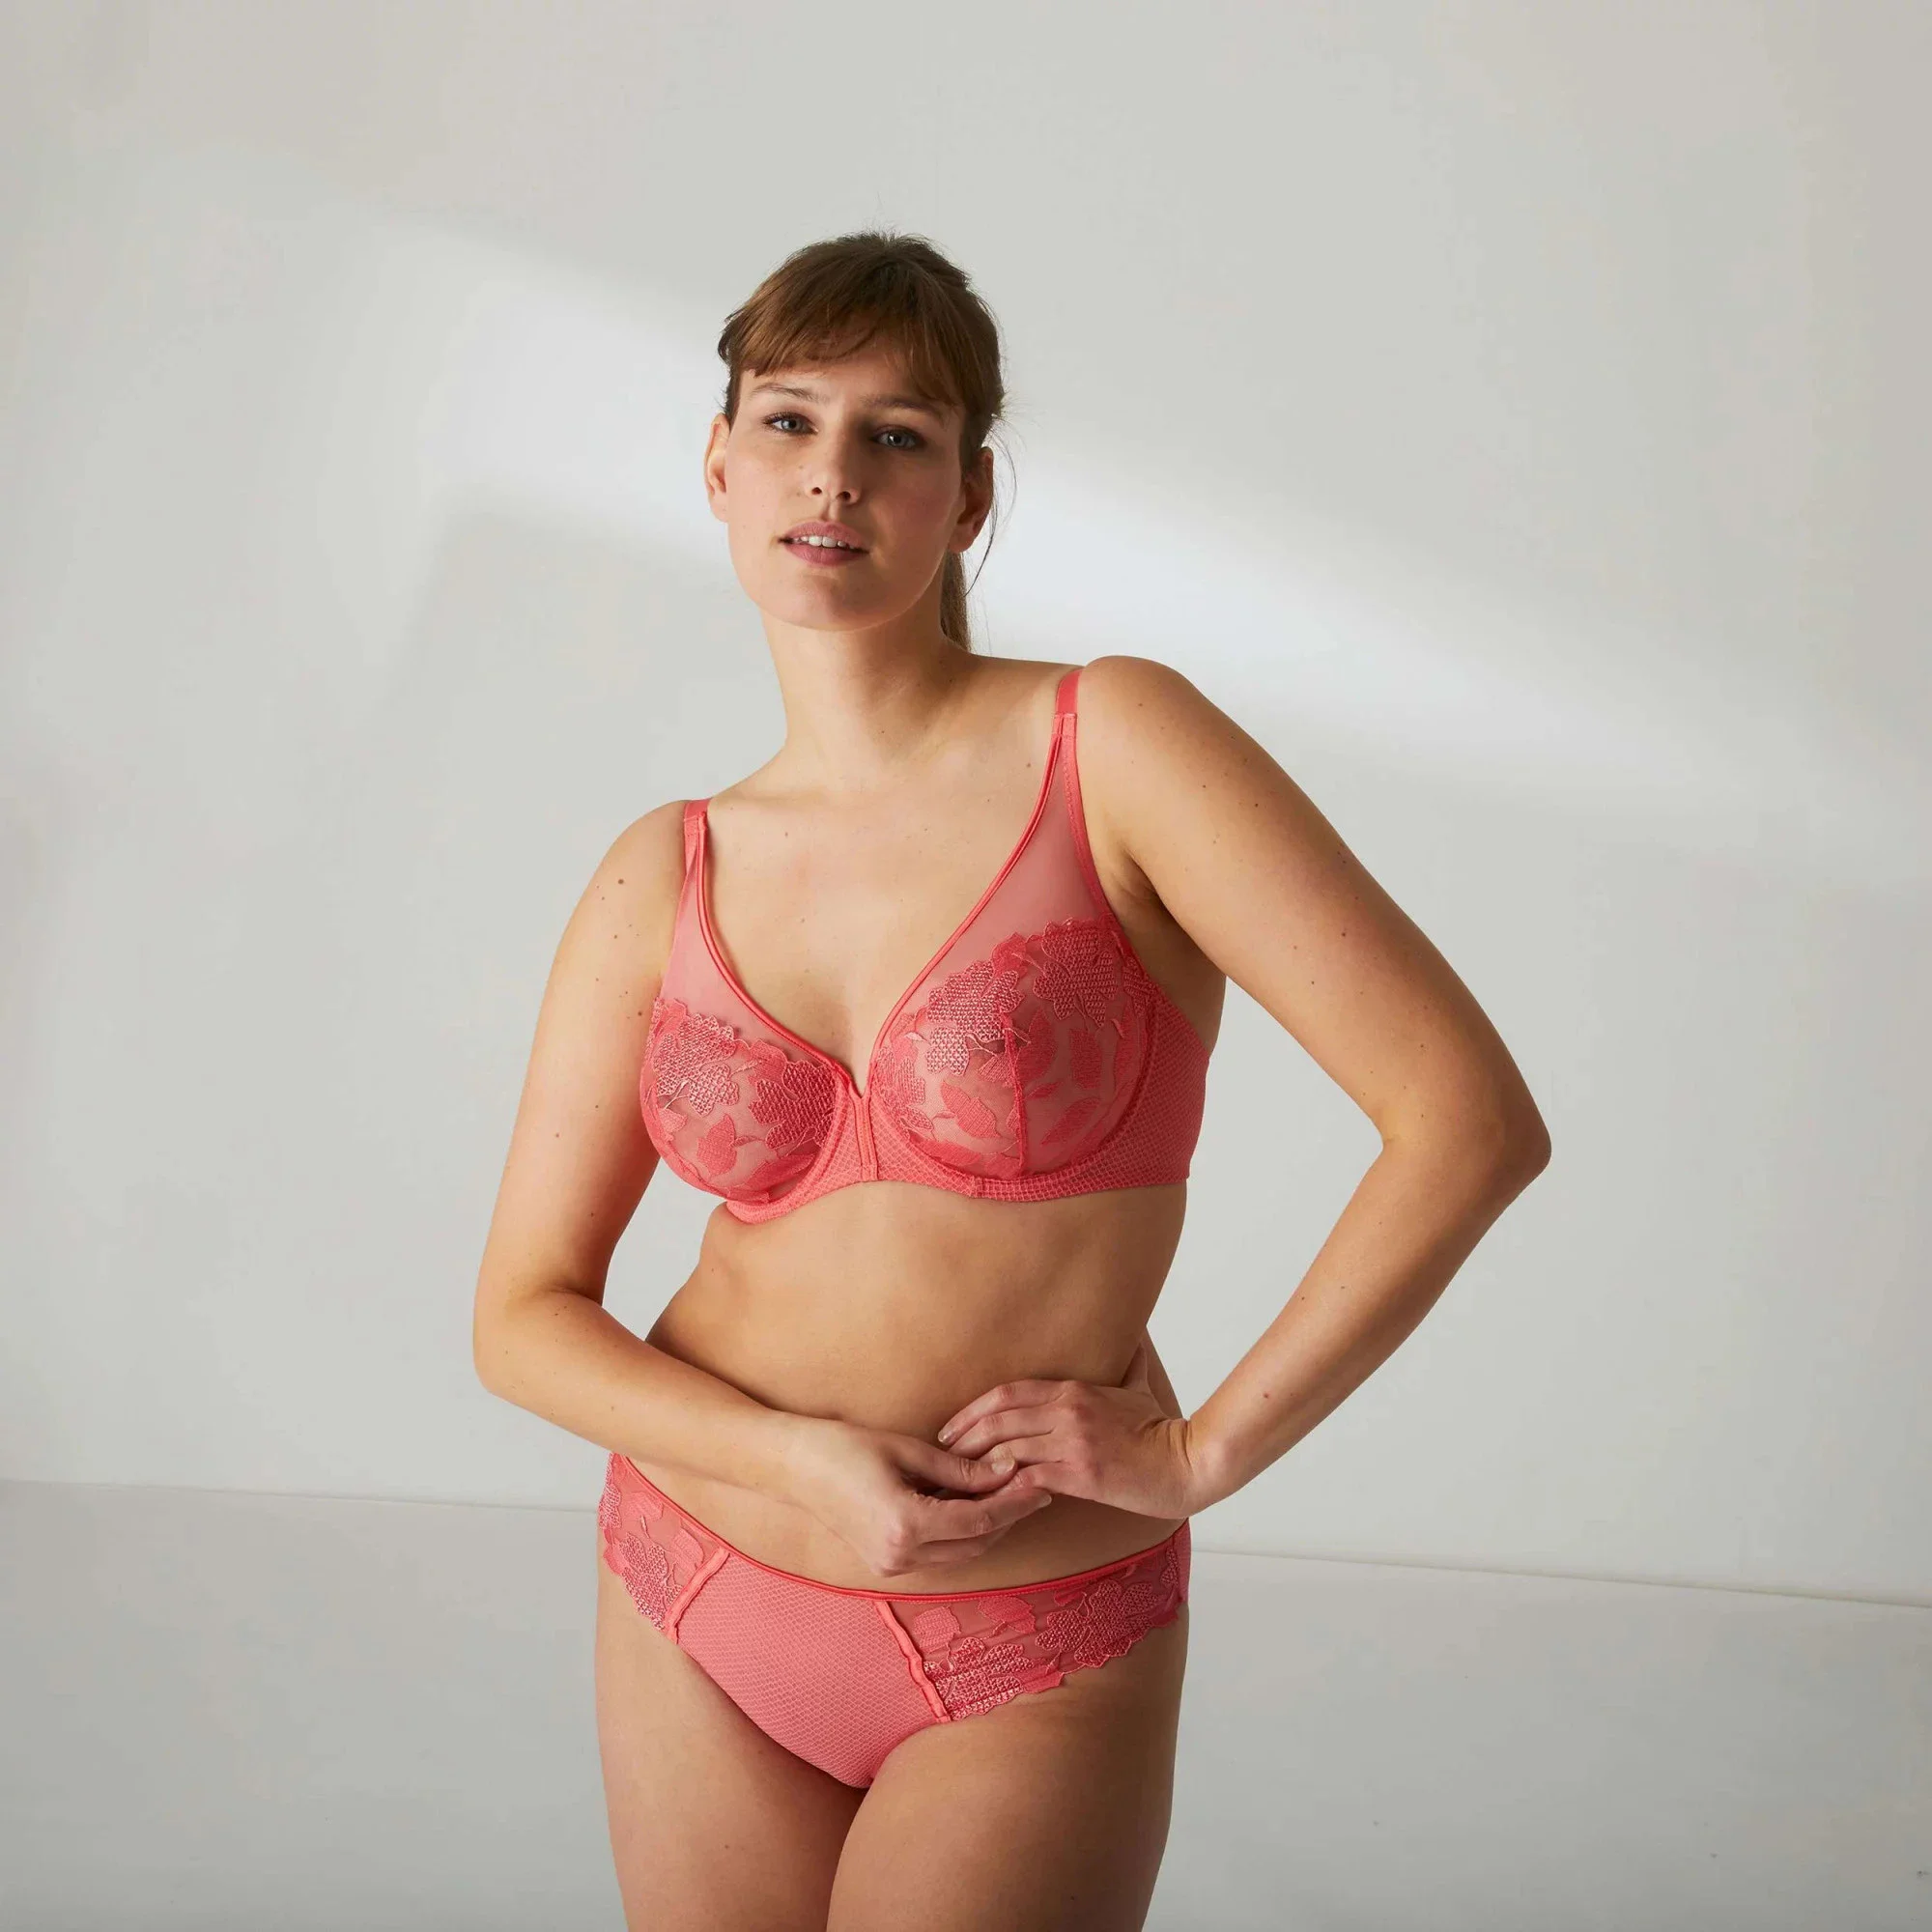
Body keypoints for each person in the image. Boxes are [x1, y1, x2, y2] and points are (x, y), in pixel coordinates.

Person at [472, 230, 1550, 1932]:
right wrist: (794, 1461)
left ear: (970, 495)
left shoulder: (1114, 746)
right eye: (788, 420)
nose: (832, 474)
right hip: (695, 1581)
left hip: (1028, 1638)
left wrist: (1203, 1454)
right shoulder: (661, 868)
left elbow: (1467, 1123)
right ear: (719, 466)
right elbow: (522, 1316)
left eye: (897, 435)